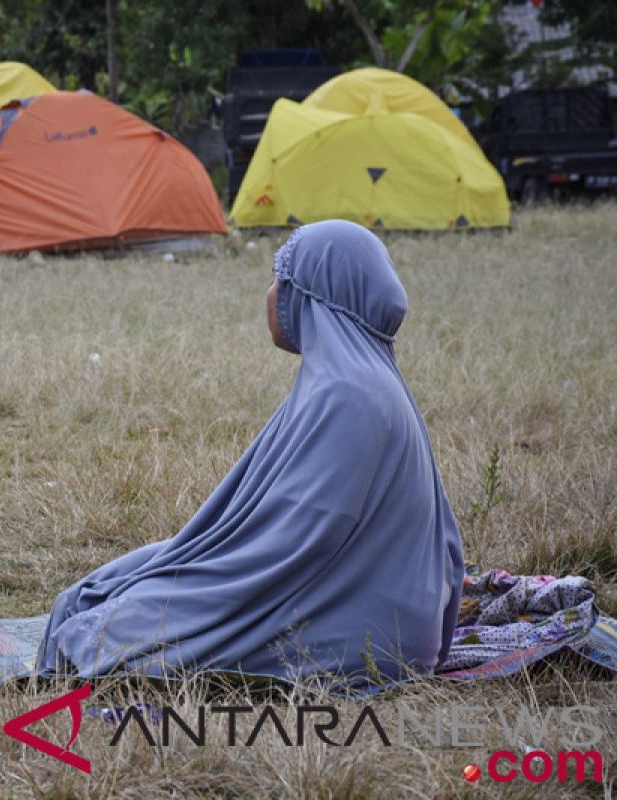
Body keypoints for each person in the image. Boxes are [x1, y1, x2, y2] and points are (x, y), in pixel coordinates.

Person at [37, 220, 464, 686]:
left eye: (281, 278)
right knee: (103, 590)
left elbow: (295, 540)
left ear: (314, 295)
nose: (272, 293)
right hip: (359, 599)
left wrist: (192, 581)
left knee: (109, 626)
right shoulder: (350, 381)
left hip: (361, 630)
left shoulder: (348, 393)